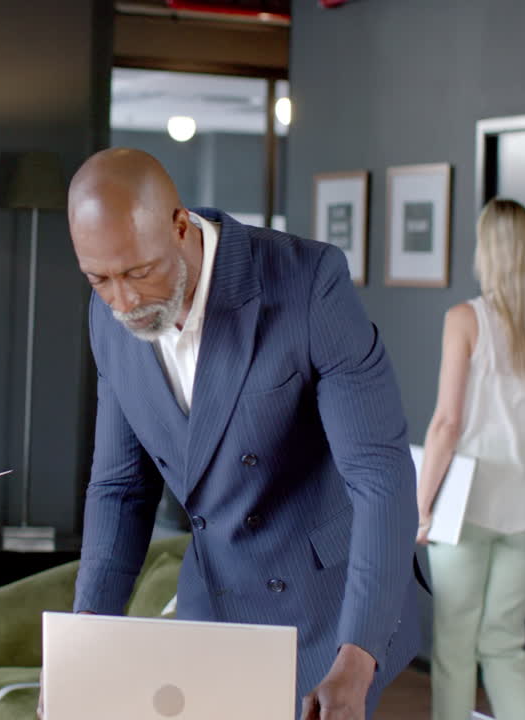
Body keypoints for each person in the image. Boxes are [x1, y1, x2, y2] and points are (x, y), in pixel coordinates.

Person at [67, 148, 421, 719]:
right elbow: (120, 489)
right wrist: (80, 647)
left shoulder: (308, 282)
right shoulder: (106, 317)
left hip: (327, 610)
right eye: (99, 278)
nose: (124, 302)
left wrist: (356, 660)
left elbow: (380, 477)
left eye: (138, 272)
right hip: (216, 597)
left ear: (179, 227)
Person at [416, 198, 525, 720]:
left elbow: (446, 424)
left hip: (465, 510)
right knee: (505, 646)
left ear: (488, 250)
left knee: (455, 650)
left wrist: (420, 507)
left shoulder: (466, 320)